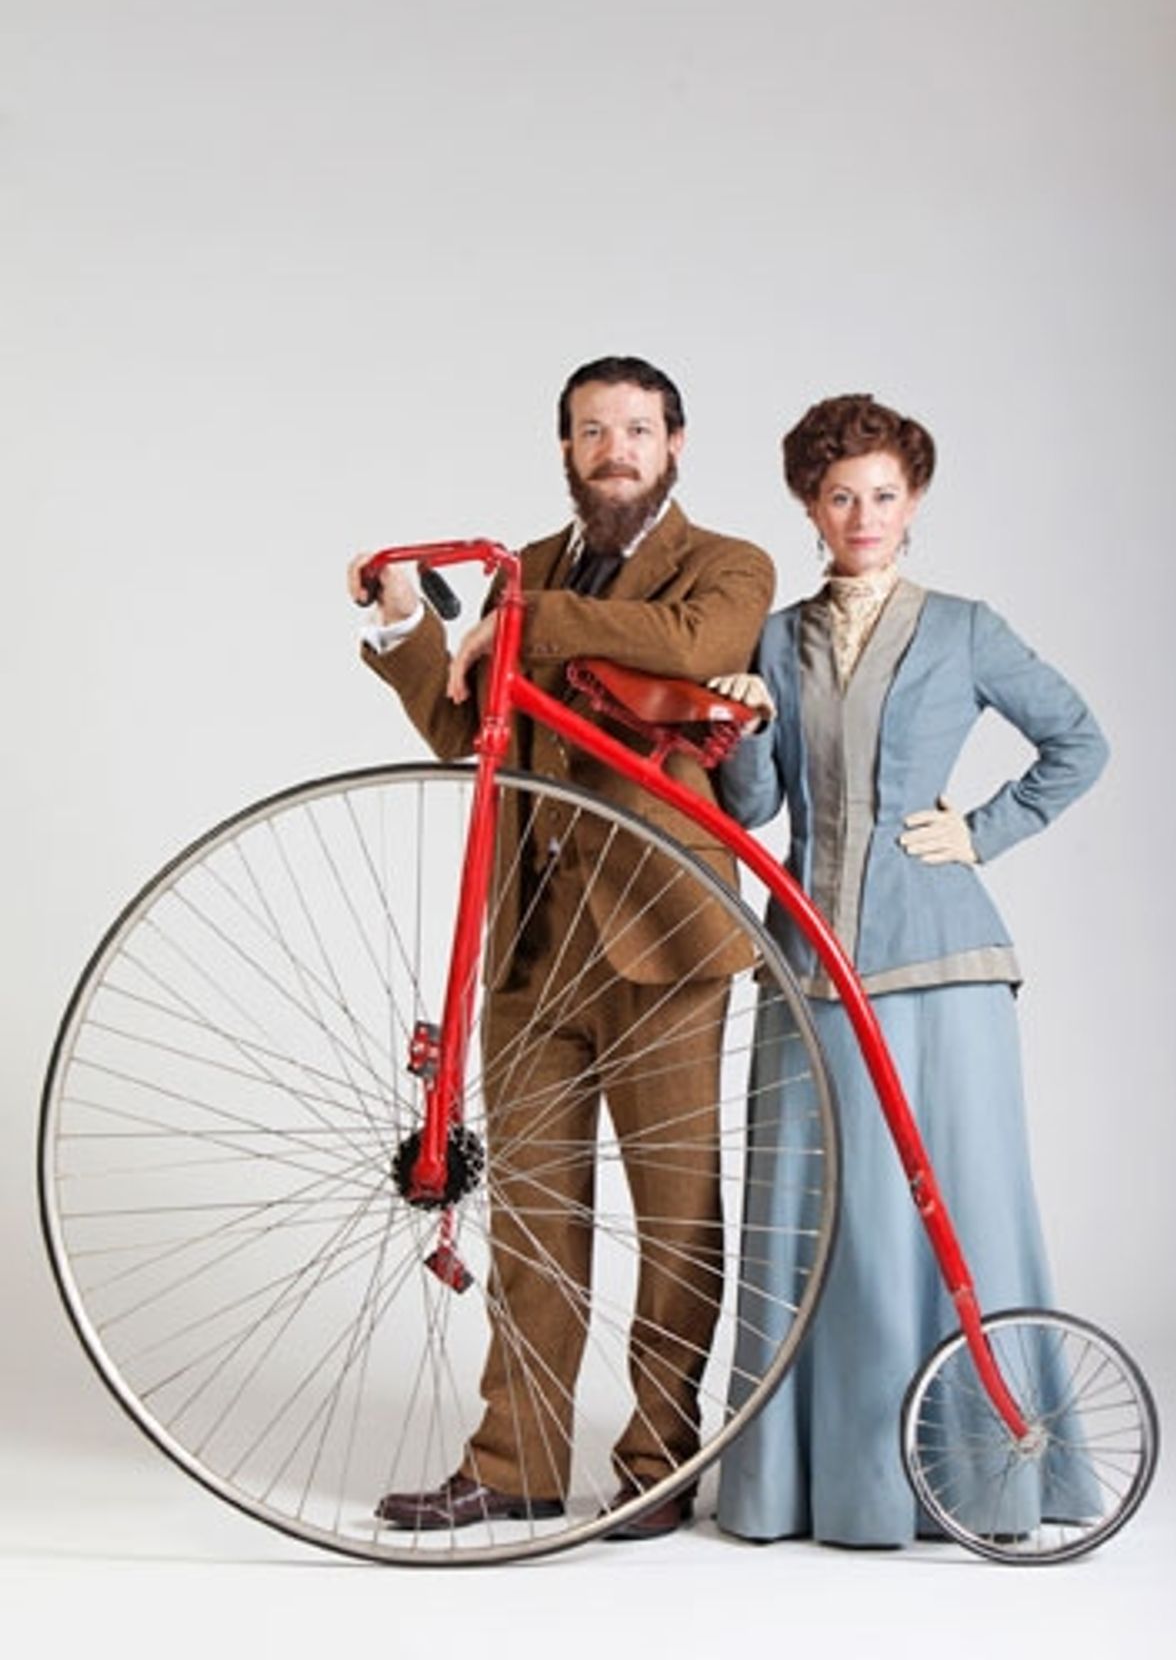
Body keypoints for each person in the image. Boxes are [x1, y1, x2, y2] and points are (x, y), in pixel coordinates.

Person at [347, 355, 775, 1539]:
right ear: (567, 451)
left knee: (677, 1218)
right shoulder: (526, 570)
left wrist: (515, 620)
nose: (617, 448)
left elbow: (689, 647)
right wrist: (407, 631)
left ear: (676, 445)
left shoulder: (727, 565)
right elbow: (458, 727)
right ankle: (517, 1462)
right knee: (535, 1222)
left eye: (638, 428)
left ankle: (657, 1460)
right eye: (593, 431)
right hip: (532, 948)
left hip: (665, 943)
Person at [709, 393, 1108, 1548]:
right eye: (841, 496)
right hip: (807, 960)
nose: (863, 514)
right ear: (809, 506)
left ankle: (985, 1477)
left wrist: (981, 830)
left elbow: (1080, 741)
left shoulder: (967, 626)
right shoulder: (774, 637)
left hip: (944, 961)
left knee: (963, 1213)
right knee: (812, 1216)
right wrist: (739, 731)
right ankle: (810, 1488)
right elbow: (756, 808)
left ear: (914, 502)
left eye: (884, 495)